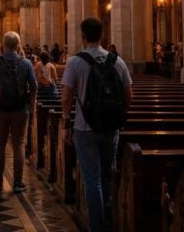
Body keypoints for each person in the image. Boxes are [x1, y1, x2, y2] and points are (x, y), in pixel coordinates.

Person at [62, 18, 133, 232]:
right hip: (111, 128)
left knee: (92, 178)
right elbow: (129, 95)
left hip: (84, 129)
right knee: (106, 176)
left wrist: (66, 121)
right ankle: (108, 221)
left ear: (83, 37)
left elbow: (66, 96)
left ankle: (96, 226)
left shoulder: (75, 62)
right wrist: (116, 115)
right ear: (102, 36)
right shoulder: (117, 62)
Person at [0, 31, 37, 193]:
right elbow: (34, 86)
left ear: (3, 45)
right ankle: (18, 183)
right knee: (18, 144)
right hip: (20, 109)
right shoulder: (26, 63)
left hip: (0, 109)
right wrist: (30, 103)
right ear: (18, 45)